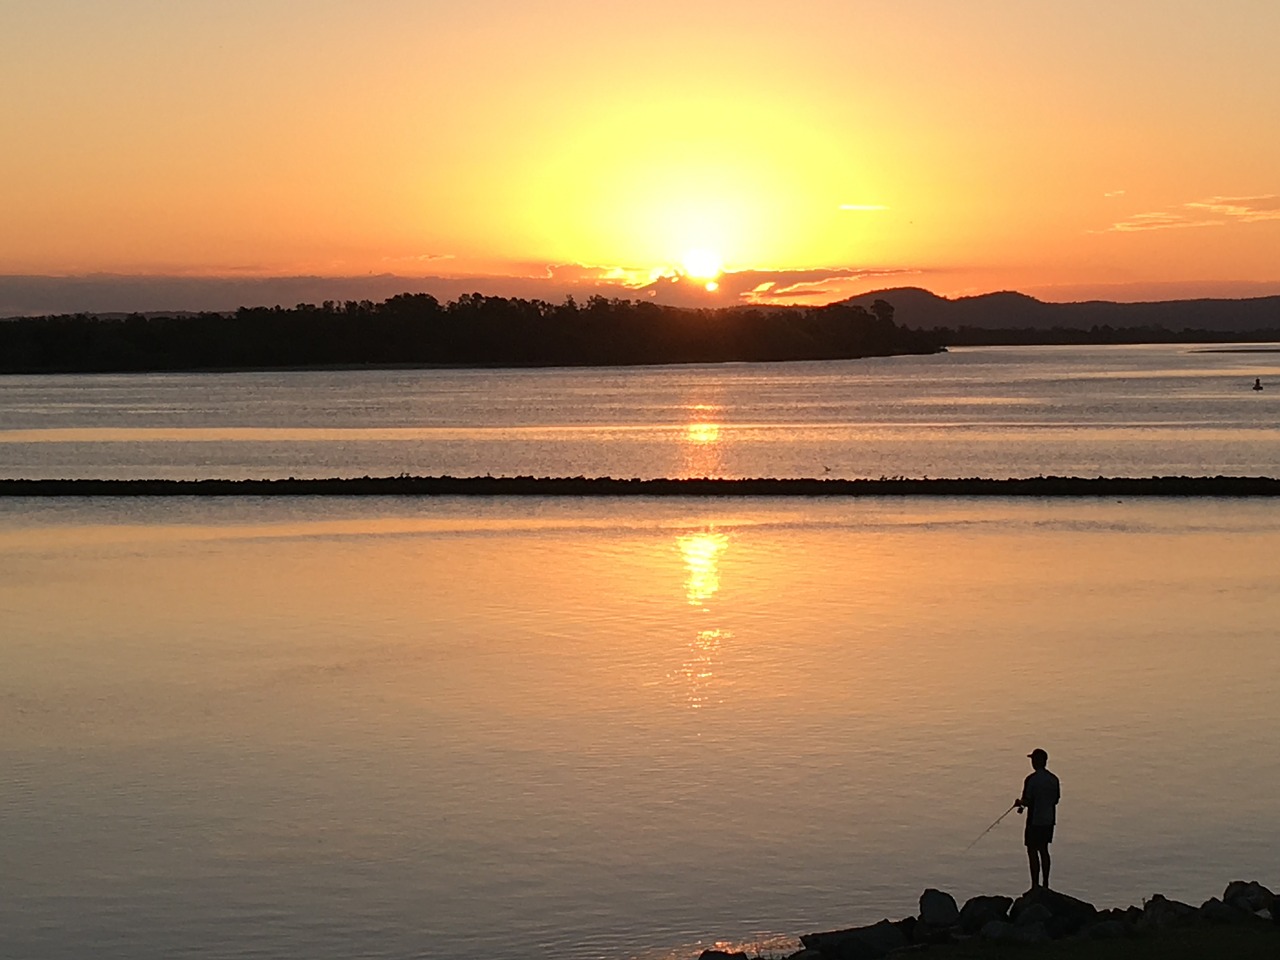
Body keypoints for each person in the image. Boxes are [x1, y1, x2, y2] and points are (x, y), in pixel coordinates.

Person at [1016, 748, 1060, 890]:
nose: (1032, 763)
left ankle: (1035, 885)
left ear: (1037, 762)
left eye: (1033, 760)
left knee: (1032, 850)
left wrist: (1019, 803)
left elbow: (1027, 801)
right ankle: (1046, 884)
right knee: (1044, 850)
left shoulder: (1031, 780)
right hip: (1049, 820)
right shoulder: (1054, 779)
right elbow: (1056, 800)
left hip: (1034, 821)